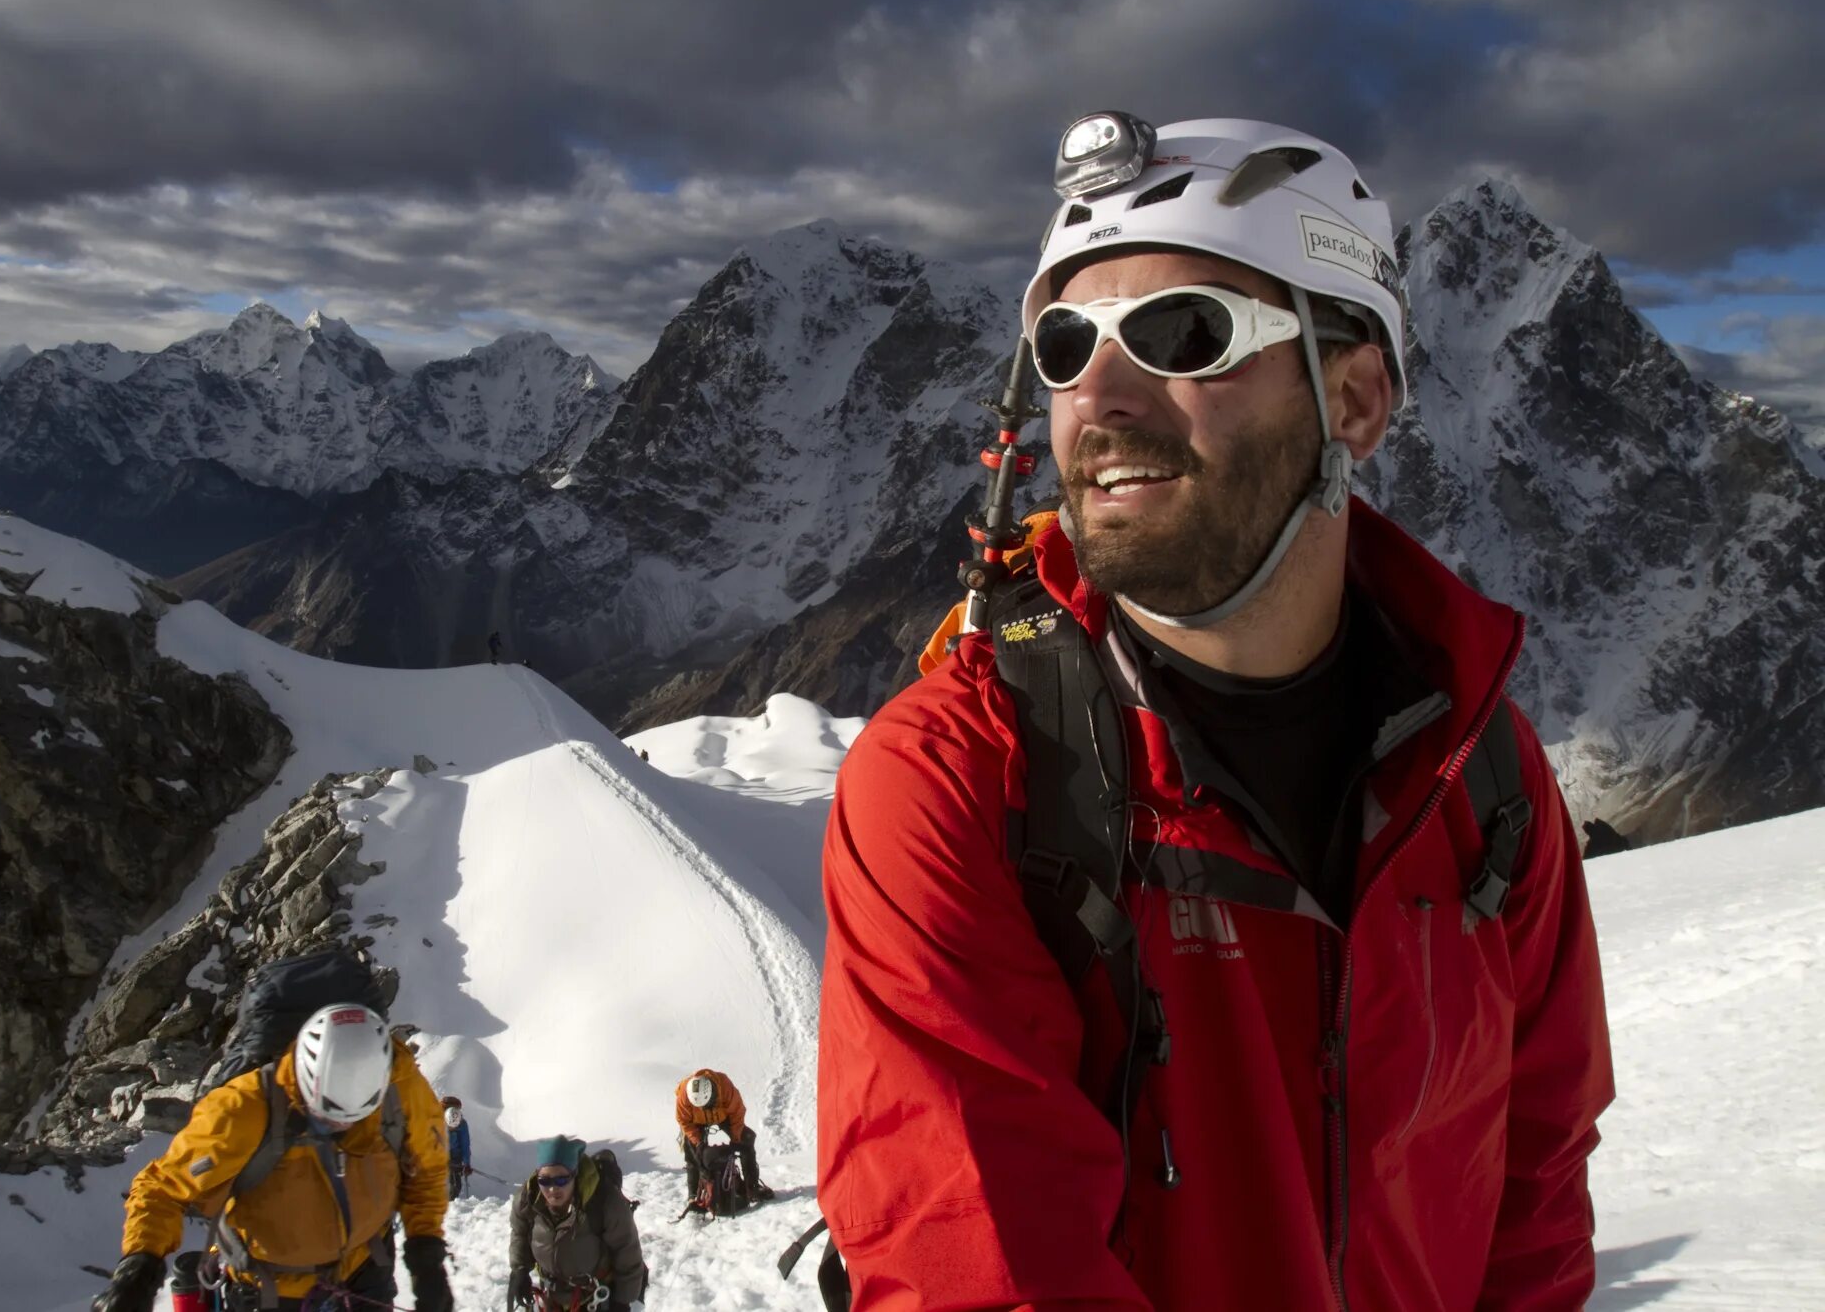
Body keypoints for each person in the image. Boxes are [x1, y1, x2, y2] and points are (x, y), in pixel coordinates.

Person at [817, 113, 1614, 1309]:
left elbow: (1532, 1186)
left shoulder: (1483, 779)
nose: (1100, 396)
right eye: (1064, 345)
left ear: (1351, 398)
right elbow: (981, 1270)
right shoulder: (959, 784)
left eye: (1181, 334)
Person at [92, 1003, 454, 1312]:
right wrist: (139, 1267)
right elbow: (163, 1189)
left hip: (364, 1272)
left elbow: (427, 1169)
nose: (336, 1126)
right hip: (266, 1289)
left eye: (353, 1117)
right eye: (325, 1112)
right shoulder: (243, 1108)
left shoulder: (402, 1090)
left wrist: (427, 1256)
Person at [507, 1135, 646, 1312]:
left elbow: (627, 1250)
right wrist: (519, 1269)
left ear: (575, 1175)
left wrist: (622, 1301)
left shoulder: (605, 1202)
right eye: (545, 1180)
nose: (552, 1188)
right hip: (551, 1294)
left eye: (561, 1180)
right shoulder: (528, 1198)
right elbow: (520, 1232)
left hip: (595, 1297)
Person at [675, 1069, 771, 1204]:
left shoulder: (724, 1085)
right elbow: (684, 1121)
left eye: (707, 1104)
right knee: (691, 1150)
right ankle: (693, 1195)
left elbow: (737, 1113)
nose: (704, 1108)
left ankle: (752, 1187)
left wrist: (736, 1139)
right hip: (696, 1121)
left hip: (722, 1116)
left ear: (713, 1092)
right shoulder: (684, 1095)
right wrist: (698, 1143)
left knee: (747, 1139)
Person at [442, 1096, 473, 1199]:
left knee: (455, 1186)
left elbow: (465, 1145)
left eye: (454, 1127)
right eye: (450, 1127)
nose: (452, 1128)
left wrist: (466, 1164)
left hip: (454, 1157)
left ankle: (451, 1206)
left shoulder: (462, 1125)